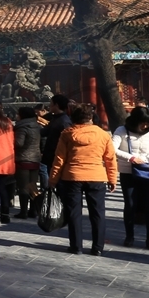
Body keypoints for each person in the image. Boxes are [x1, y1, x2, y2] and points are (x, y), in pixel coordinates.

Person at [47, 103, 118, 256]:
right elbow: (110, 159)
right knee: (98, 213)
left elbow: (59, 159)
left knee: (74, 213)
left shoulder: (67, 134)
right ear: (91, 118)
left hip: (72, 176)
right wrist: (112, 179)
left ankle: (76, 246)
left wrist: (52, 179)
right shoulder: (103, 135)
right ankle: (98, 247)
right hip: (96, 176)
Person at [114, 106, 149, 250]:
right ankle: (129, 236)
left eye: (148, 123)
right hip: (128, 172)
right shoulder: (121, 130)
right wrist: (131, 158)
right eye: (142, 123)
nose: (145, 126)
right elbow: (112, 148)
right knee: (130, 205)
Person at [13, 104, 43, 219]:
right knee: (33, 186)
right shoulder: (36, 126)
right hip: (35, 159)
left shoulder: (22, 127)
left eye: (18, 114)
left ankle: (23, 211)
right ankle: (33, 210)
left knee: (23, 187)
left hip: (23, 159)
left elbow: (19, 143)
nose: (16, 116)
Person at [39, 94, 73, 191]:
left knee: (60, 186)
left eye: (51, 104)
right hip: (52, 156)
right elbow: (45, 132)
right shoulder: (56, 118)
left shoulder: (64, 121)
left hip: (58, 156)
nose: (49, 106)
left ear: (56, 105)